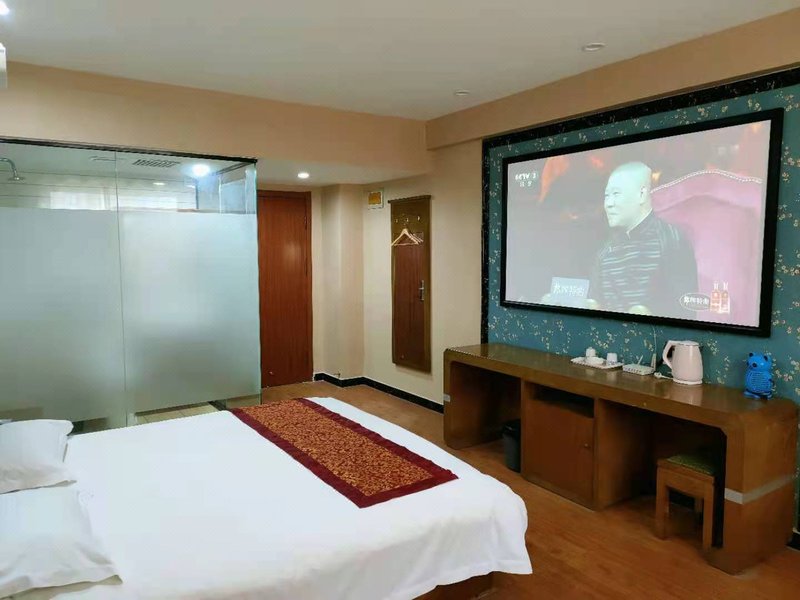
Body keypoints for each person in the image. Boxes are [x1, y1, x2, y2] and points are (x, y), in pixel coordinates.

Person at [587, 162, 697, 317]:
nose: (609, 204)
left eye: (616, 194)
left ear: (642, 195)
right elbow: (593, 302)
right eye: (607, 196)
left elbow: (687, 307)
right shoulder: (605, 252)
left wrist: (649, 313)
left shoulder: (670, 239)